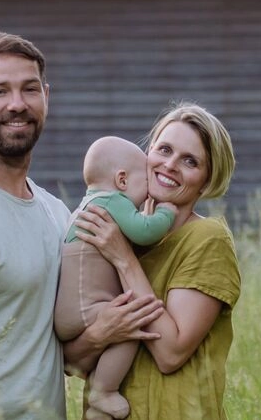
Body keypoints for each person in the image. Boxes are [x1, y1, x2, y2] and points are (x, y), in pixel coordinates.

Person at [0, 32, 165, 420]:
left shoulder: (55, 212)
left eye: (29, 89)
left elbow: (56, 355)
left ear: (46, 98)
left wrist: (100, 333)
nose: (17, 104)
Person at [68, 102, 241, 420]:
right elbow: (70, 363)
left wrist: (123, 259)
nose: (171, 165)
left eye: (190, 161)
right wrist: (100, 333)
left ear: (205, 180)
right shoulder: (121, 233)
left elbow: (171, 353)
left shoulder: (207, 239)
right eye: (164, 150)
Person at [54, 136, 177, 420]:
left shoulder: (83, 207)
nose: (149, 193)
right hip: (88, 308)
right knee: (131, 325)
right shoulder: (113, 201)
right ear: (122, 180)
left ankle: (98, 399)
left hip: (70, 312)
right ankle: (104, 392)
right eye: (145, 181)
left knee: (119, 330)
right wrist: (164, 212)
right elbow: (144, 230)